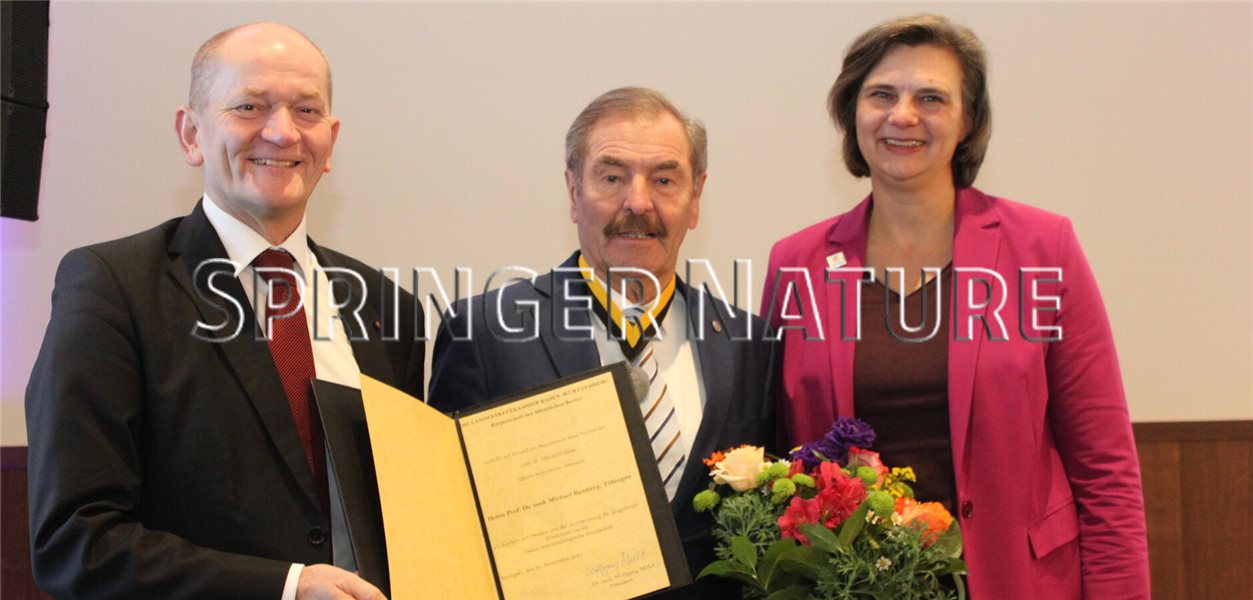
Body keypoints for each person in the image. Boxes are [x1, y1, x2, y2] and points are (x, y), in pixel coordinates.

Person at [25, 23, 423, 599]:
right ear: (191, 134)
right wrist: (287, 588)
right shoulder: (113, 289)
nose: (282, 132)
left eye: (306, 110)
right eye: (249, 106)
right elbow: (75, 540)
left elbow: (412, 520)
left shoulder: (389, 310)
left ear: (330, 140)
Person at [760, 14, 1149, 599]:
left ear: (968, 122)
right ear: (852, 114)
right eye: (881, 95)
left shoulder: (1044, 247)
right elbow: (776, 459)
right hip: (851, 588)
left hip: (1019, 583)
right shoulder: (797, 262)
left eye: (932, 98)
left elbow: (1105, 469)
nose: (904, 115)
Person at [428, 87, 774, 598]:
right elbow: (445, 526)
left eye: (664, 179)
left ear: (695, 198)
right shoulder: (485, 332)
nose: (638, 202)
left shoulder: (751, 344)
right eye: (612, 177)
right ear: (573, 192)